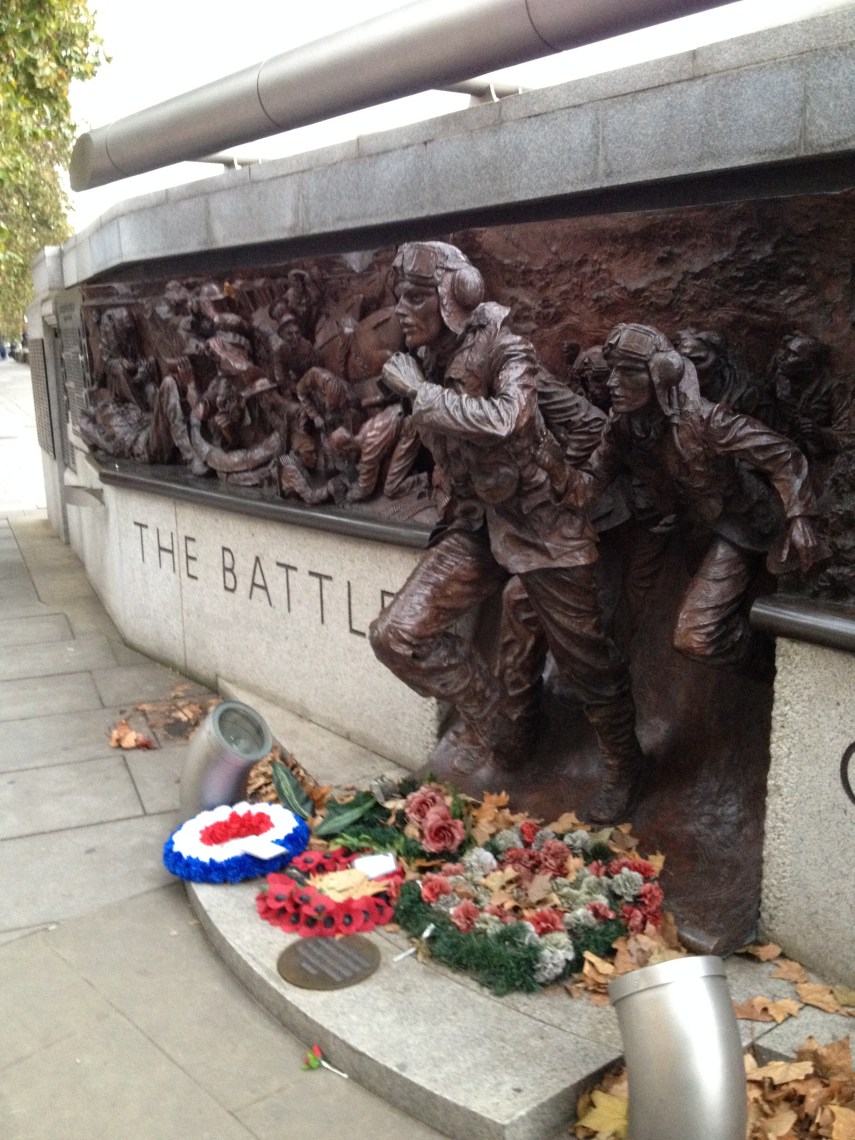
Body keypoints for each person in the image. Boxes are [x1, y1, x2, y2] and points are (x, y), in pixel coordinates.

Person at [369, 242, 644, 824]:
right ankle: (503, 723)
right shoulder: (428, 358)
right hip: (476, 523)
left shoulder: (506, 348)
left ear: (455, 297)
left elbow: (506, 418)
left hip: (544, 525)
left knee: (588, 663)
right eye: (399, 297)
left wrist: (420, 394)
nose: (400, 310)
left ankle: (624, 767)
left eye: (414, 296)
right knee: (396, 636)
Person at [569, 323, 820, 668]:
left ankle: (771, 666)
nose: (612, 383)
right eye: (611, 372)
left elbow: (782, 455)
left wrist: (800, 515)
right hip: (695, 526)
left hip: (743, 523)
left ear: (660, 375)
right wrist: (547, 467)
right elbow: (591, 479)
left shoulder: (706, 421)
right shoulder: (623, 428)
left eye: (626, 372)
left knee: (695, 636)